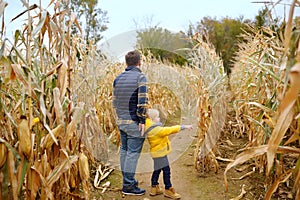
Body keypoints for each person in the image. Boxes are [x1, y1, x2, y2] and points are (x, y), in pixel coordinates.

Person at [112, 50, 148, 195]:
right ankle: (128, 185)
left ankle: (128, 182)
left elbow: (115, 102)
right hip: (134, 121)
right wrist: (142, 120)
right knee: (132, 153)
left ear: (126, 63)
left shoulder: (118, 78)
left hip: (121, 120)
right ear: (139, 62)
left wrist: (120, 118)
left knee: (125, 152)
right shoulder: (140, 77)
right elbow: (142, 101)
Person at [145, 108, 193, 199]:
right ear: (152, 119)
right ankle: (168, 189)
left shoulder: (149, 127)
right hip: (161, 154)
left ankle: (154, 188)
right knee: (167, 171)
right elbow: (170, 130)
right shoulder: (157, 130)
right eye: (157, 117)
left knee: (157, 170)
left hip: (155, 154)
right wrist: (184, 127)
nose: (159, 119)